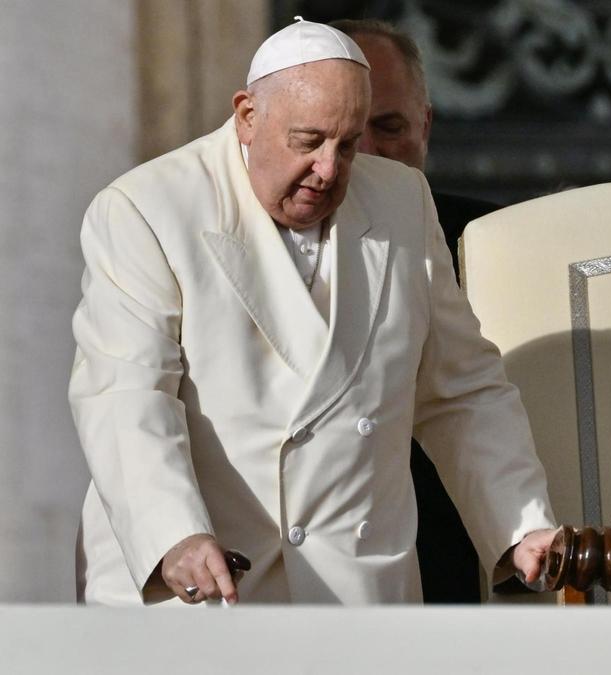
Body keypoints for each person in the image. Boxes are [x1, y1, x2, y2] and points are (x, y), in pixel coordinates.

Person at [69, 18, 556, 606]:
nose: (330, 169)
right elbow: (127, 395)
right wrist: (175, 536)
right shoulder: (143, 209)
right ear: (248, 115)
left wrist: (522, 528)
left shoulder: (402, 199)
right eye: (308, 141)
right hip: (205, 588)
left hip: (355, 592)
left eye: (347, 144)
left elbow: (464, 392)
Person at [330, 17, 501, 603]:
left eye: (390, 127)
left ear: (425, 126)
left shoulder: (496, 241)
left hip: (468, 554)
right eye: (350, 131)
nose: (370, 153)